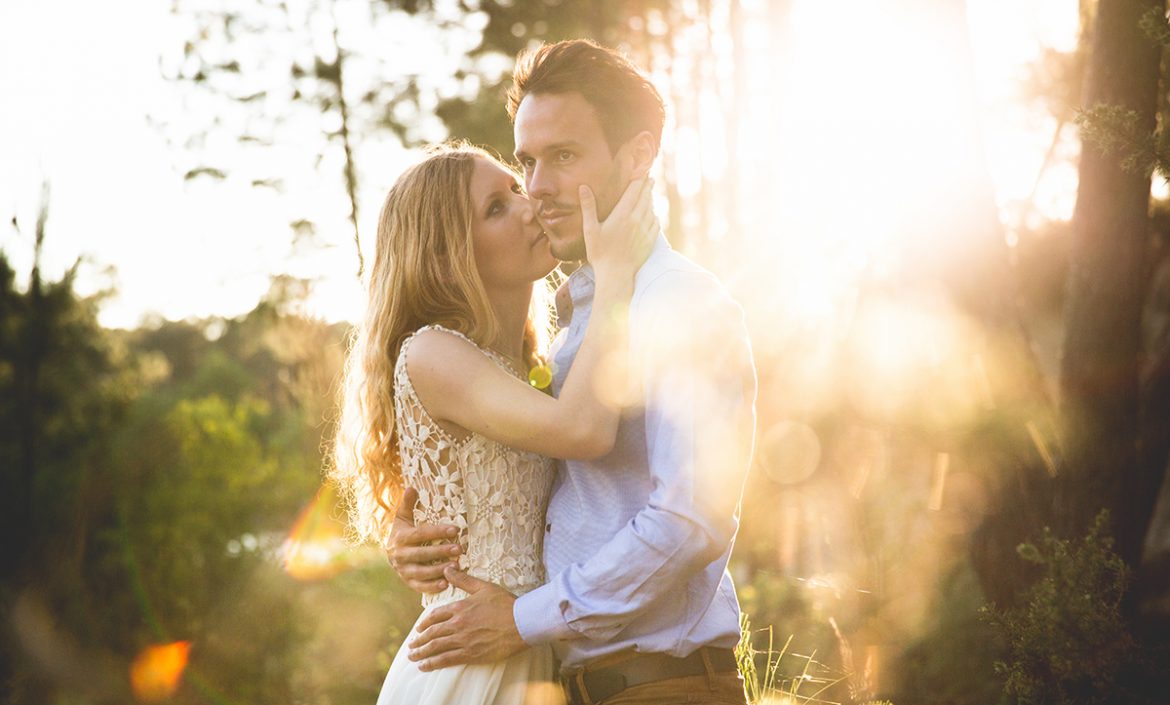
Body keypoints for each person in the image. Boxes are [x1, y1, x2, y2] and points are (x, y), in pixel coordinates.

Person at [387, 40, 758, 705]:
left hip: (660, 687)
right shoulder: (573, 331)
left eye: (562, 156)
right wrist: (421, 532)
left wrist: (521, 619)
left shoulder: (680, 302)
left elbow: (690, 520)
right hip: (563, 684)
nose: (536, 188)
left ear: (637, 156)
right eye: (527, 162)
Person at [329, 141, 659, 705]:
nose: (531, 205)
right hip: (470, 661)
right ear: (447, 257)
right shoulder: (433, 352)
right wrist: (615, 276)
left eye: (515, 188)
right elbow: (585, 431)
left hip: (530, 649)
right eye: (497, 208)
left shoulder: (533, 366)